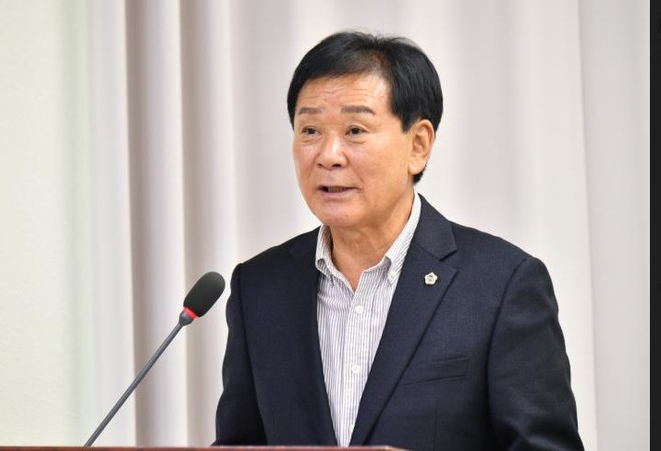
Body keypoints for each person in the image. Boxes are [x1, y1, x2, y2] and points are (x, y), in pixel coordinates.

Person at [214, 30, 584, 451]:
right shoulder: (259, 289)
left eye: (355, 130)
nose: (329, 155)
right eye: (310, 130)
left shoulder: (500, 285)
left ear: (418, 145)